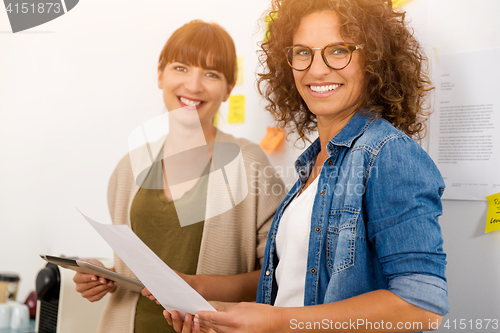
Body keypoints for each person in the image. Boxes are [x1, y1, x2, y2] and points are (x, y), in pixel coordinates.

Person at [154, 0, 449, 332]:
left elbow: (421, 308)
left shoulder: (388, 154)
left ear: (375, 59)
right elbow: (293, 291)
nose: (317, 69)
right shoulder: (313, 165)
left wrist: (277, 322)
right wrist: (217, 308)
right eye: (303, 52)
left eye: (339, 50)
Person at [73, 20, 285, 333]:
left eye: (211, 74)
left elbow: (276, 278)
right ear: (160, 74)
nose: (194, 85)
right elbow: (135, 266)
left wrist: (195, 286)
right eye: (181, 68)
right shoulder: (128, 168)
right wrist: (103, 276)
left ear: (228, 89)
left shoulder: (250, 164)